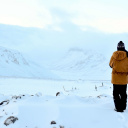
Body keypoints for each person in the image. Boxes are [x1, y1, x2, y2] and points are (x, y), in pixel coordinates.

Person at [109, 41, 128, 112]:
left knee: (116, 94)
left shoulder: (114, 55)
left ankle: (118, 107)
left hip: (115, 79)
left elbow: (110, 65)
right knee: (123, 93)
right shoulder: (127, 55)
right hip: (124, 79)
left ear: (117, 47)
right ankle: (123, 107)